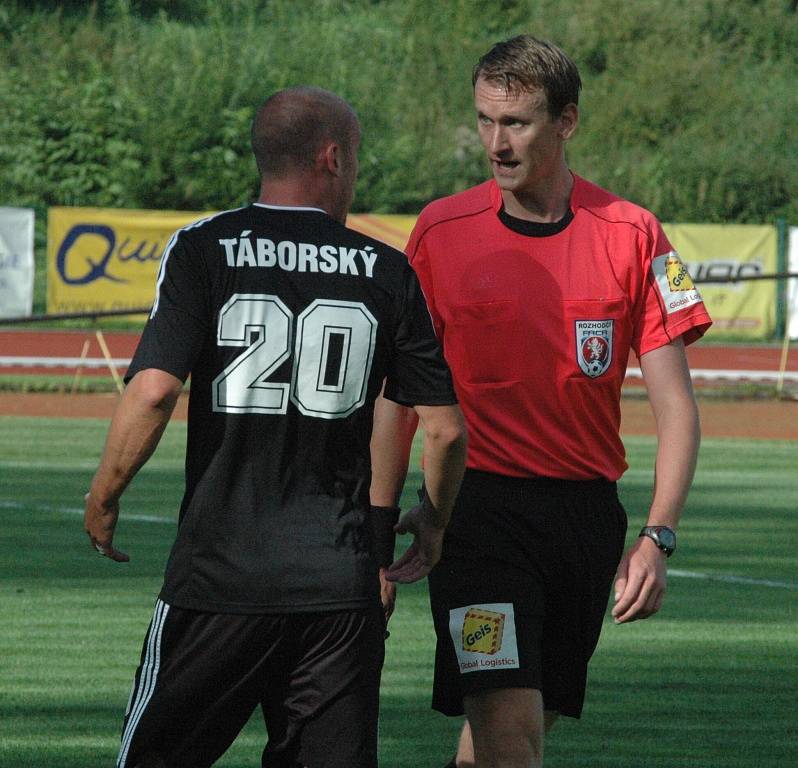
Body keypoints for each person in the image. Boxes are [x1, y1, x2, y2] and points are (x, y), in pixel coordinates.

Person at [83, 85, 466, 768]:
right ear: (332, 158)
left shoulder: (203, 248)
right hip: (337, 587)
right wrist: (432, 519)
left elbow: (153, 392)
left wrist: (106, 494)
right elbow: (443, 431)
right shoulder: (386, 269)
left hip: (220, 577)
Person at [373, 35, 712, 768]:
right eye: (486, 121)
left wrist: (659, 536)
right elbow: (398, 398)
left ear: (567, 122)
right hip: (473, 516)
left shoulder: (635, 233)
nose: (496, 143)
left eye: (517, 122)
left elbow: (677, 406)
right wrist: (373, 530)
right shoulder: (439, 230)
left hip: (584, 520)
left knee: (511, 734)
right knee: (509, 729)